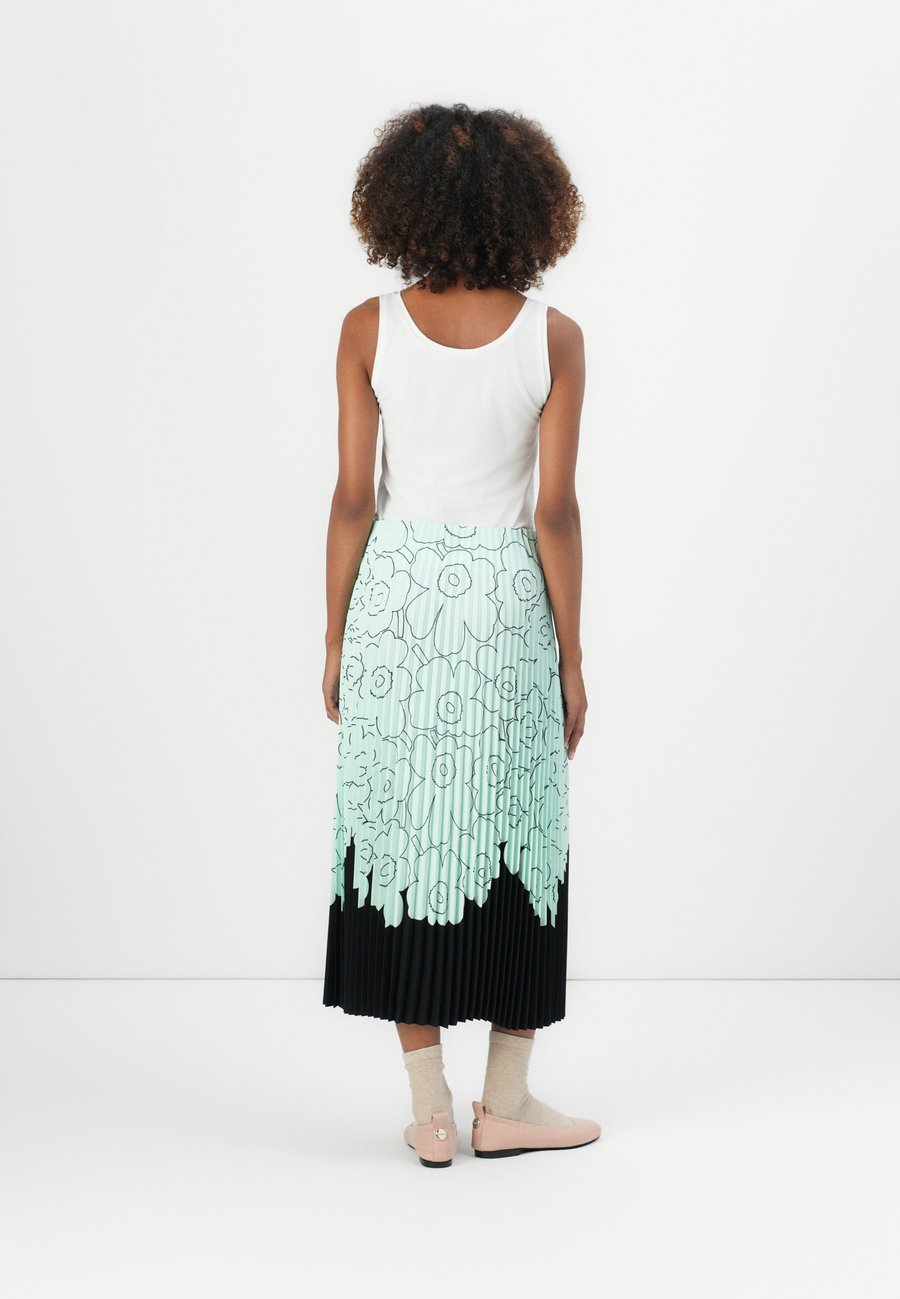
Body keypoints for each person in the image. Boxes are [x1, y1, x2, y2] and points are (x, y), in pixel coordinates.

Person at [321, 102, 600, 1167]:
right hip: (504, 601)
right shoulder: (554, 339)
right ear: (530, 210)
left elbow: (354, 498)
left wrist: (335, 637)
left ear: (400, 204)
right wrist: (572, 657)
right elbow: (554, 513)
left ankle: (432, 1111)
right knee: (521, 826)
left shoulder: (367, 328)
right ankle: (509, 1102)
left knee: (404, 832)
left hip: (396, 596)